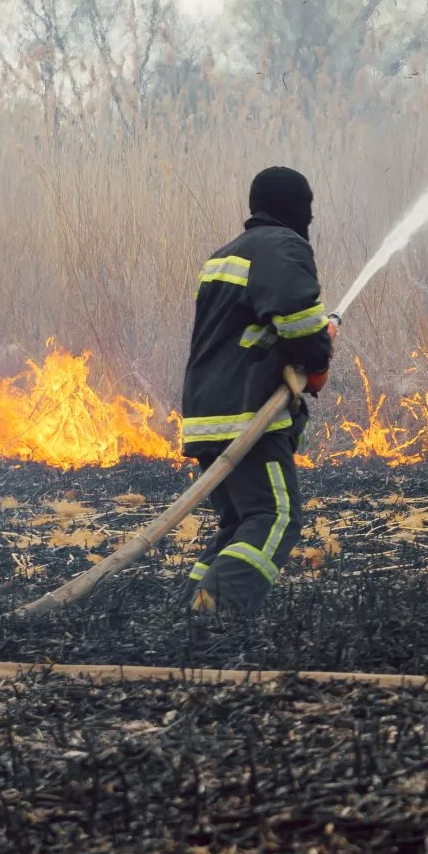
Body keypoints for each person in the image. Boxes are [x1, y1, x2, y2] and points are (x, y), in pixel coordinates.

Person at [181, 166, 335, 616]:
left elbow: (250, 328)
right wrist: (320, 354)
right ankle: (219, 611)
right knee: (275, 517)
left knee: (238, 523)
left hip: (209, 411)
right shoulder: (283, 246)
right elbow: (300, 326)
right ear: (298, 208)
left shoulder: (227, 254)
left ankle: (190, 610)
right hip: (246, 413)